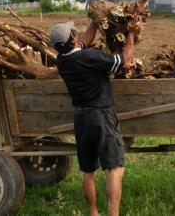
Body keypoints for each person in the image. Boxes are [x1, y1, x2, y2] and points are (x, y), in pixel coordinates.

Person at [49, 20, 141, 216]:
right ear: (72, 39)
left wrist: (96, 21)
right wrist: (131, 34)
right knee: (115, 168)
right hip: (100, 117)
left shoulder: (62, 61)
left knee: (88, 172)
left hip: (81, 119)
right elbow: (124, 60)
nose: (77, 35)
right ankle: (113, 213)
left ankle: (93, 212)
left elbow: (82, 42)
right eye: (74, 33)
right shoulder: (90, 57)